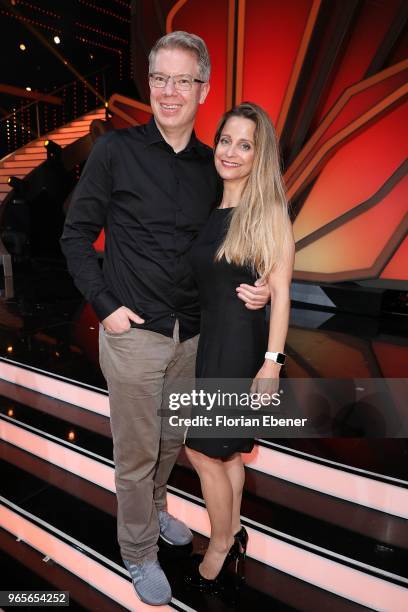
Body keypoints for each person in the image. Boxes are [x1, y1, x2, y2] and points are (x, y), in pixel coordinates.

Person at [60, 32, 270, 606]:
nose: (170, 91)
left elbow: (249, 232)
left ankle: (153, 514)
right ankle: (137, 551)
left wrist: (265, 284)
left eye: (184, 80)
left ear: (204, 88)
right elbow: (75, 234)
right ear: (149, 84)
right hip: (133, 335)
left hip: (194, 336)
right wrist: (106, 308)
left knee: (172, 442)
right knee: (135, 453)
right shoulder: (115, 151)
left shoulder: (216, 164)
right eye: (160, 78)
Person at [184, 102, 294, 591]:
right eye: (225, 139)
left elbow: (283, 291)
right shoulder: (216, 204)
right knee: (225, 454)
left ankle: (223, 541)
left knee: (204, 453)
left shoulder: (267, 209)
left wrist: (272, 364)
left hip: (238, 348)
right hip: (213, 342)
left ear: (258, 154)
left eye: (244, 144)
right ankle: (233, 533)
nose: (231, 151)